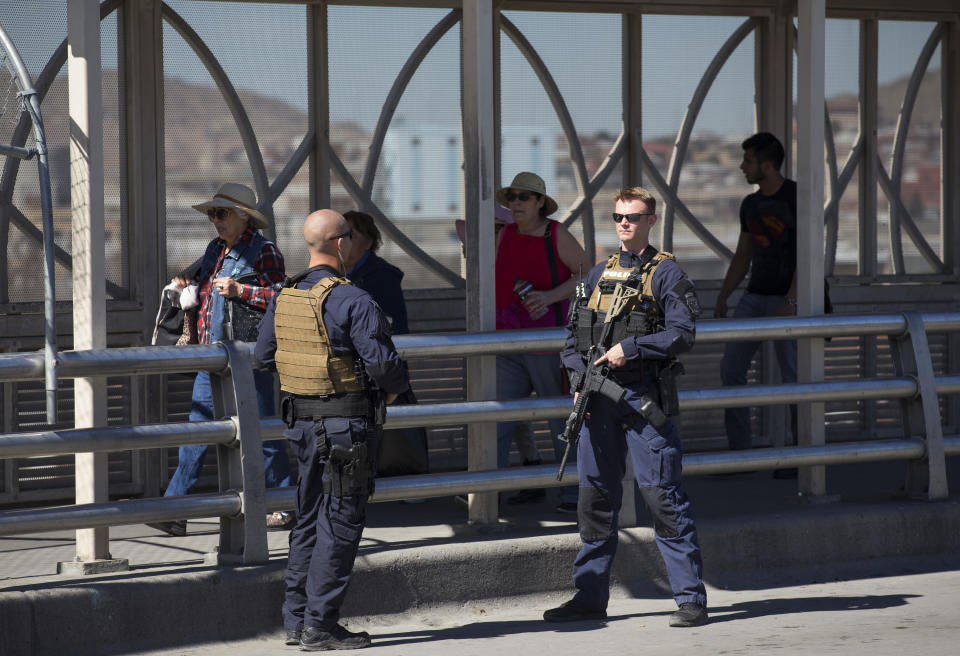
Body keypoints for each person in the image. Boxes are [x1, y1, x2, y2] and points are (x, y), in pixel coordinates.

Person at [546, 186, 708, 628]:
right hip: (597, 402)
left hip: (642, 400)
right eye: (618, 216)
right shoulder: (598, 275)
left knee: (663, 498)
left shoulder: (666, 275)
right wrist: (578, 378)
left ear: (650, 220)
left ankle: (690, 598)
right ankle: (589, 595)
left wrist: (631, 349)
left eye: (632, 217)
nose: (623, 224)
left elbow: (684, 333)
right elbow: (571, 340)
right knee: (595, 500)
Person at [255, 209, 409, 650]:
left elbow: (264, 356)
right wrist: (397, 384)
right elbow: (383, 365)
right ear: (341, 244)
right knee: (340, 523)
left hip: (301, 425)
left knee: (306, 520)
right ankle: (319, 626)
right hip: (347, 430)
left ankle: (296, 621)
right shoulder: (352, 299)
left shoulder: (285, 295)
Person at [147, 182, 293, 537]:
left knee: (261, 432)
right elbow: (202, 279)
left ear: (244, 217)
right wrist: (186, 280)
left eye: (221, 213)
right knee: (197, 430)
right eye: (212, 213)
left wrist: (242, 290)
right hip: (212, 355)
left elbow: (281, 296)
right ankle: (175, 508)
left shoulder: (264, 250)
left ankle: (282, 505)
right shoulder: (215, 249)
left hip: (247, 355)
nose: (215, 220)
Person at [494, 172, 593, 512]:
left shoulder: (556, 233)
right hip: (507, 340)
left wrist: (550, 297)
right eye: (512, 197)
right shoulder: (504, 233)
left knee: (559, 418)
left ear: (540, 203)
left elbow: (587, 276)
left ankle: (571, 491)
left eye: (524, 197)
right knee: (498, 416)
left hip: (551, 340)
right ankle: (485, 489)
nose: (516, 203)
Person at [714, 132, 798, 465]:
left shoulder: (796, 197)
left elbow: (809, 255)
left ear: (766, 164)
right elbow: (743, 254)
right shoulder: (750, 204)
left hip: (789, 297)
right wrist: (724, 295)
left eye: (748, 160)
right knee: (730, 368)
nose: (741, 166)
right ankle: (740, 455)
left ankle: (801, 457)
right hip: (755, 295)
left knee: (795, 377)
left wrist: (791, 302)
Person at [343, 210, 428, 479]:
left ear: (367, 242)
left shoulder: (382, 277)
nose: (343, 240)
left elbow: (395, 327)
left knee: (396, 427)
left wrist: (396, 372)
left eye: (351, 234)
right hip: (354, 368)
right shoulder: (340, 274)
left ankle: (410, 481)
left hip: (379, 365)